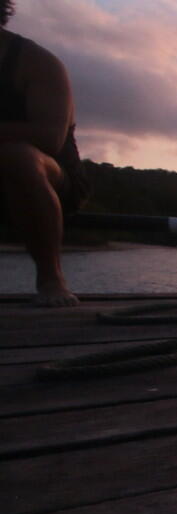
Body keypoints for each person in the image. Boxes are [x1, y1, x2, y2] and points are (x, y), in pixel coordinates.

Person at [0, 0, 90, 306]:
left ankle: (52, 278)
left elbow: (49, 138)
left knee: (16, 156)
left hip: (52, 178)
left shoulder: (36, 62)